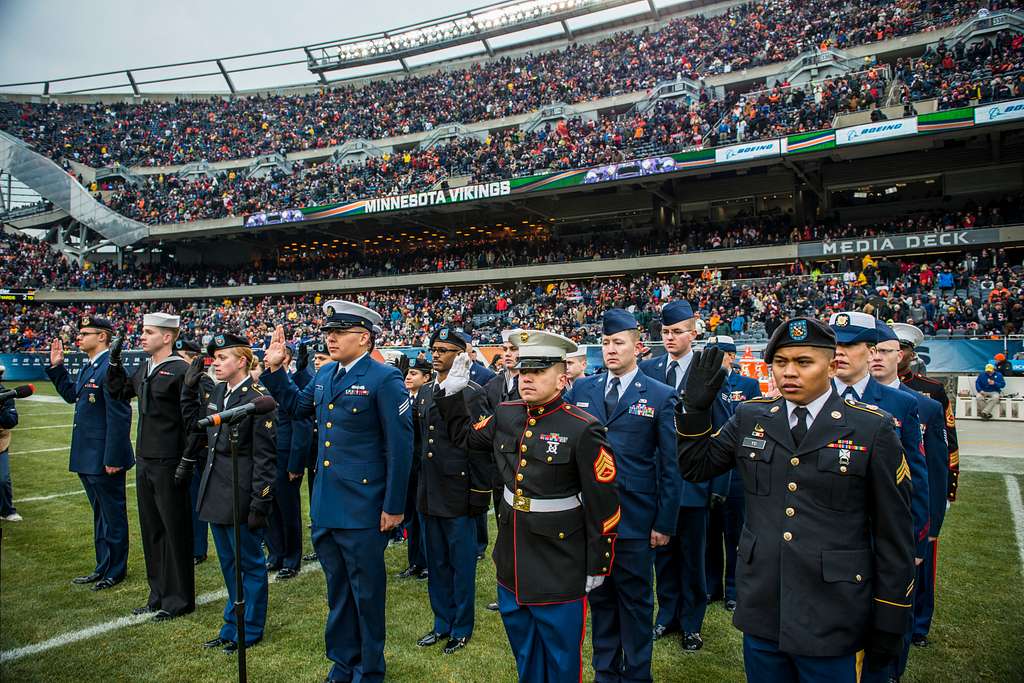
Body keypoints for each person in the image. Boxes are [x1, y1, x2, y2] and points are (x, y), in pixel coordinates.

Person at [676, 317, 915, 682]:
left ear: (831, 365)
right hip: (764, 604)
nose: (789, 372)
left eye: (803, 362)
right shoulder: (751, 417)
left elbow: (894, 533)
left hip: (833, 609)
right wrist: (694, 411)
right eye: (781, 362)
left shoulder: (871, 428)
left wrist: (891, 614)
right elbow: (695, 467)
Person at [433, 331, 620, 683]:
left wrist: (599, 561)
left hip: (559, 561)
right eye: (523, 371)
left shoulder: (583, 428)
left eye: (538, 372)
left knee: (562, 659)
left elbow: (604, 503)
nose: (527, 378)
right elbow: (467, 439)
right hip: (512, 558)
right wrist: (452, 393)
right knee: (525, 652)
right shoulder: (506, 413)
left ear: (563, 378)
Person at [260, 300, 412, 683]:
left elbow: (400, 447)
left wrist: (394, 506)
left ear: (363, 337)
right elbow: (296, 407)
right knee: (338, 593)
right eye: (329, 332)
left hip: (363, 507)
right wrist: (276, 368)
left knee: (366, 595)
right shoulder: (326, 376)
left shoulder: (384, 379)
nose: (330, 338)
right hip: (328, 504)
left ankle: (369, 669)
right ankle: (343, 663)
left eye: (339, 332)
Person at [563, 309, 678, 682]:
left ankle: (637, 673)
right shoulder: (583, 388)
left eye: (619, 343)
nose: (611, 350)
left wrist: (664, 523)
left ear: (639, 347)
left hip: (635, 519)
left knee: (637, 603)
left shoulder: (660, 395)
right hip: (592, 519)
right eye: (606, 343)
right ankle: (606, 672)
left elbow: (670, 466)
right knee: (601, 600)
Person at [180, 332, 277, 653]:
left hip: (240, 493)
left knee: (248, 564)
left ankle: (249, 628)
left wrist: (259, 501)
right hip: (216, 491)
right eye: (215, 358)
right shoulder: (219, 390)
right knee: (228, 565)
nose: (216, 363)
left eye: (222, 358)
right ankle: (230, 626)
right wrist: (189, 391)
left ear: (242, 361)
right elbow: (196, 427)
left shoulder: (257, 397)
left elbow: (265, 457)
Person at [870, 320, 949, 678]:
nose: (877, 358)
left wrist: (929, 526)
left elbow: (932, 470)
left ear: (900, 356)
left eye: (885, 351)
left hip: (903, 524)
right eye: (873, 351)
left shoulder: (924, 404)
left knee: (900, 599)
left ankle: (900, 656)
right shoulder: (841, 400)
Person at [106, 312, 194, 621]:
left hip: (170, 462)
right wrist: (114, 361)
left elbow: (192, 422)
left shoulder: (182, 370)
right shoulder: (146, 367)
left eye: (148, 332)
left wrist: (187, 460)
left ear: (167, 337)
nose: (141, 336)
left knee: (174, 531)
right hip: (145, 460)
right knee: (152, 531)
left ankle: (179, 599)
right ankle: (157, 594)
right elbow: (119, 392)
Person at [829, 311, 928, 570]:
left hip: (878, 535)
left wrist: (916, 541)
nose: (839, 352)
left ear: (872, 352)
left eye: (849, 345)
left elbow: (914, 477)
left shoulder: (902, 404)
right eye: (835, 345)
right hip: (822, 534)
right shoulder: (809, 399)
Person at [639, 300, 711, 650]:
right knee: (662, 554)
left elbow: (721, 427)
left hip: (693, 481)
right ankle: (667, 615)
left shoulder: (707, 368)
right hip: (657, 481)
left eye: (676, 332)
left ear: (693, 333)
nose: (669, 337)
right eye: (665, 332)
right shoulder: (649, 369)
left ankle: (692, 622)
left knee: (692, 558)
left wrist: (716, 485)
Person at [415, 328, 490, 654]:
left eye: (444, 350)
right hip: (430, 490)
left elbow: (477, 449)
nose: (437, 355)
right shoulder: (426, 390)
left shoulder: (472, 392)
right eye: (434, 349)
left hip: (458, 490)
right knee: (437, 563)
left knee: (461, 565)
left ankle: (461, 627)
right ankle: (441, 622)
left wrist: (477, 493)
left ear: (460, 355)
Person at [46, 315, 134, 588]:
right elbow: (73, 395)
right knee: (100, 516)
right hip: (88, 455)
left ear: (103, 337)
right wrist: (57, 367)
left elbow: (120, 417)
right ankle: (102, 565)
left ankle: (115, 570)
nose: (79, 338)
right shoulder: (90, 367)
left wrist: (114, 458)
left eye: (85, 333)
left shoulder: (111, 367)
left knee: (113, 515)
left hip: (103, 458)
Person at [703, 335, 761, 613]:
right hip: (712, 466)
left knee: (735, 534)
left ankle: (734, 589)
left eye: (720, 354)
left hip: (738, 468)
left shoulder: (748, 385)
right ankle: (711, 585)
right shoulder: (705, 384)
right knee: (711, 532)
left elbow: (757, 423)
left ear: (730, 356)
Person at [893, 323, 960, 503]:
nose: (897, 352)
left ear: (913, 354)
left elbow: (948, 439)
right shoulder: (869, 387)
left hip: (919, 481)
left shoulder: (933, 389)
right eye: (891, 347)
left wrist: (949, 484)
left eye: (903, 348)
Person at [477, 328, 523, 570]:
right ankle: (507, 581)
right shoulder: (491, 386)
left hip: (526, 465)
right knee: (503, 525)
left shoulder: (532, 382)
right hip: (497, 467)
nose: (507, 354)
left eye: (513, 349)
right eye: (504, 349)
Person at [265, 343, 312, 580]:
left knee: (288, 509)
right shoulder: (265, 383)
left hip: (285, 457)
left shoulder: (295, 384)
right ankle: (275, 554)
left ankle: (291, 559)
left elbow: (301, 426)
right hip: (267, 456)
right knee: (270, 507)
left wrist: (295, 463)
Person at [173, 337, 215, 565]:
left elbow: (201, 422)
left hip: (196, 451)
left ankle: (198, 548)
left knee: (195, 500)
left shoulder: (204, 382)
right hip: (181, 447)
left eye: (182, 358)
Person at [294, 340, 331, 564]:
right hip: (316, 454)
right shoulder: (317, 379)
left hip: (336, 457)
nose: (317, 362)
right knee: (316, 500)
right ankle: (320, 545)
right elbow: (297, 403)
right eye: (315, 359)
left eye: (322, 358)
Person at [399, 357, 432, 580]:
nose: (409, 377)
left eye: (414, 373)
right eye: (408, 373)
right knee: (410, 516)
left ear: (427, 378)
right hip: (407, 468)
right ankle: (415, 562)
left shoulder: (429, 399)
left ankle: (428, 562)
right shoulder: (404, 399)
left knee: (424, 519)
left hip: (423, 468)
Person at [0, 364, 21, 522]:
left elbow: (12, 421)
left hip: (1, 441)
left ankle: (7, 510)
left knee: (2, 479)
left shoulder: (6, 395)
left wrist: (1, 409)